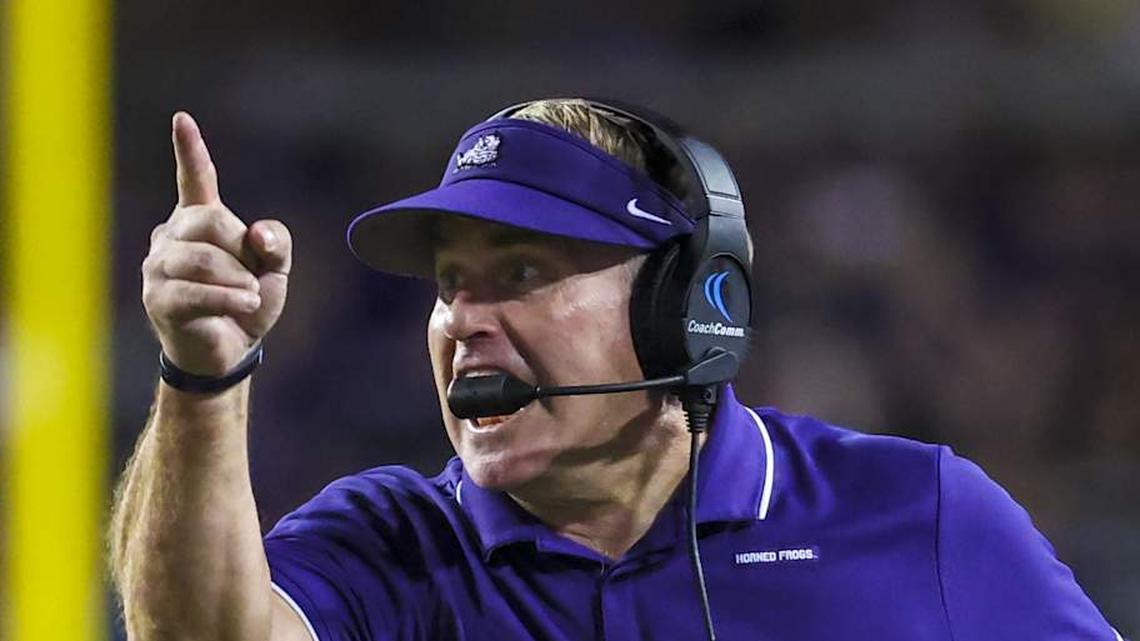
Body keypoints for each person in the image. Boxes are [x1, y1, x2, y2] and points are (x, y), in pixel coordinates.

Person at [109, 99, 1128, 641]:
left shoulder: (919, 513)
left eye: (521, 273)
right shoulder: (391, 543)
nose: (467, 319)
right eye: (450, 284)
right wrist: (203, 375)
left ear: (689, 305)